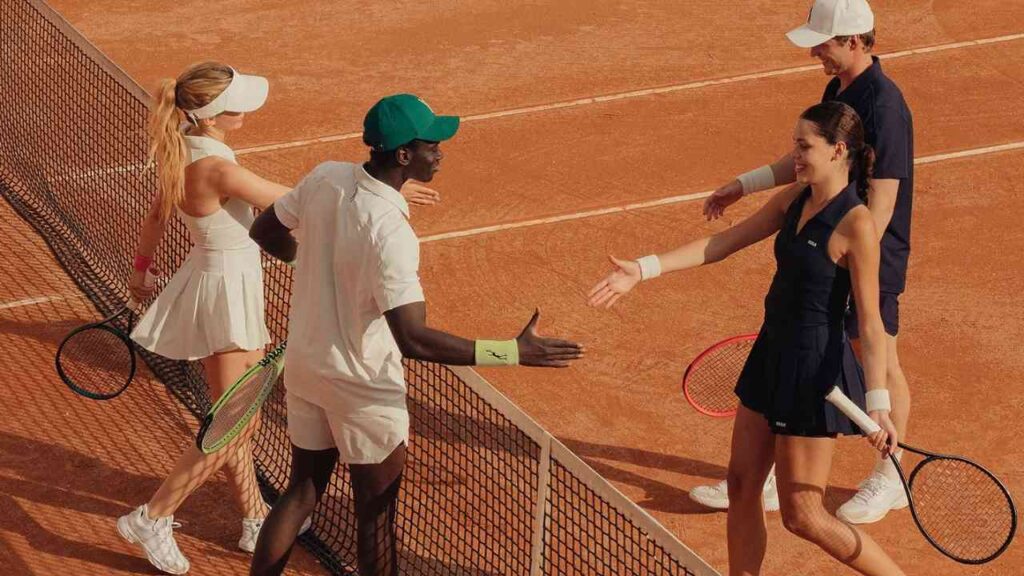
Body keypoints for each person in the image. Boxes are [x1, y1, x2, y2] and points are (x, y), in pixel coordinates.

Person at [117, 63, 441, 575]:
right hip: (227, 294)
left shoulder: (180, 145)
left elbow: (158, 214)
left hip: (206, 283)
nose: (246, 108)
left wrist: (140, 271)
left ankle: (252, 518)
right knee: (232, 424)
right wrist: (388, 191)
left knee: (235, 421)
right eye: (237, 102)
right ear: (218, 114)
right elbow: (294, 203)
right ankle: (153, 515)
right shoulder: (217, 167)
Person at [247, 93, 584, 575]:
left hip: (305, 367)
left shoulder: (326, 177)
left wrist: (314, 263)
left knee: (301, 492)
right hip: (362, 387)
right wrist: (511, 352)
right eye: (433, 145)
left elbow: (265, 231)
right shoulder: (391, 232)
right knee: (374, 518)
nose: (441, 153)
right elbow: (414, 339)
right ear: (403, 155)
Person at [589, 102, 903, 575]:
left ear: (839, 150)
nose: (794, 156)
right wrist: (644, 268)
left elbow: (872, 325)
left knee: (804, 516)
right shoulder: (794, 198)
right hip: (771, 354)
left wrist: (878, 402)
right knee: (741, 485)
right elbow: (724, 242)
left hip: (815, 372)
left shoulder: (856, 225)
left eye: (804, 146)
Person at [693, 0, 915, 525]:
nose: (816, 50)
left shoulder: (884, 107)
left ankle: (891, 478)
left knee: (872, 349)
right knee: (808, 351)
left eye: (825, 43)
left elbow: (880, 205)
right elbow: (806, 158)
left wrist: (842, 262)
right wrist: (743, 184)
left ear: (856, 42)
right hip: (833, 241)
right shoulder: (840, 90)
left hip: (863, 250)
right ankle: (771, 474)